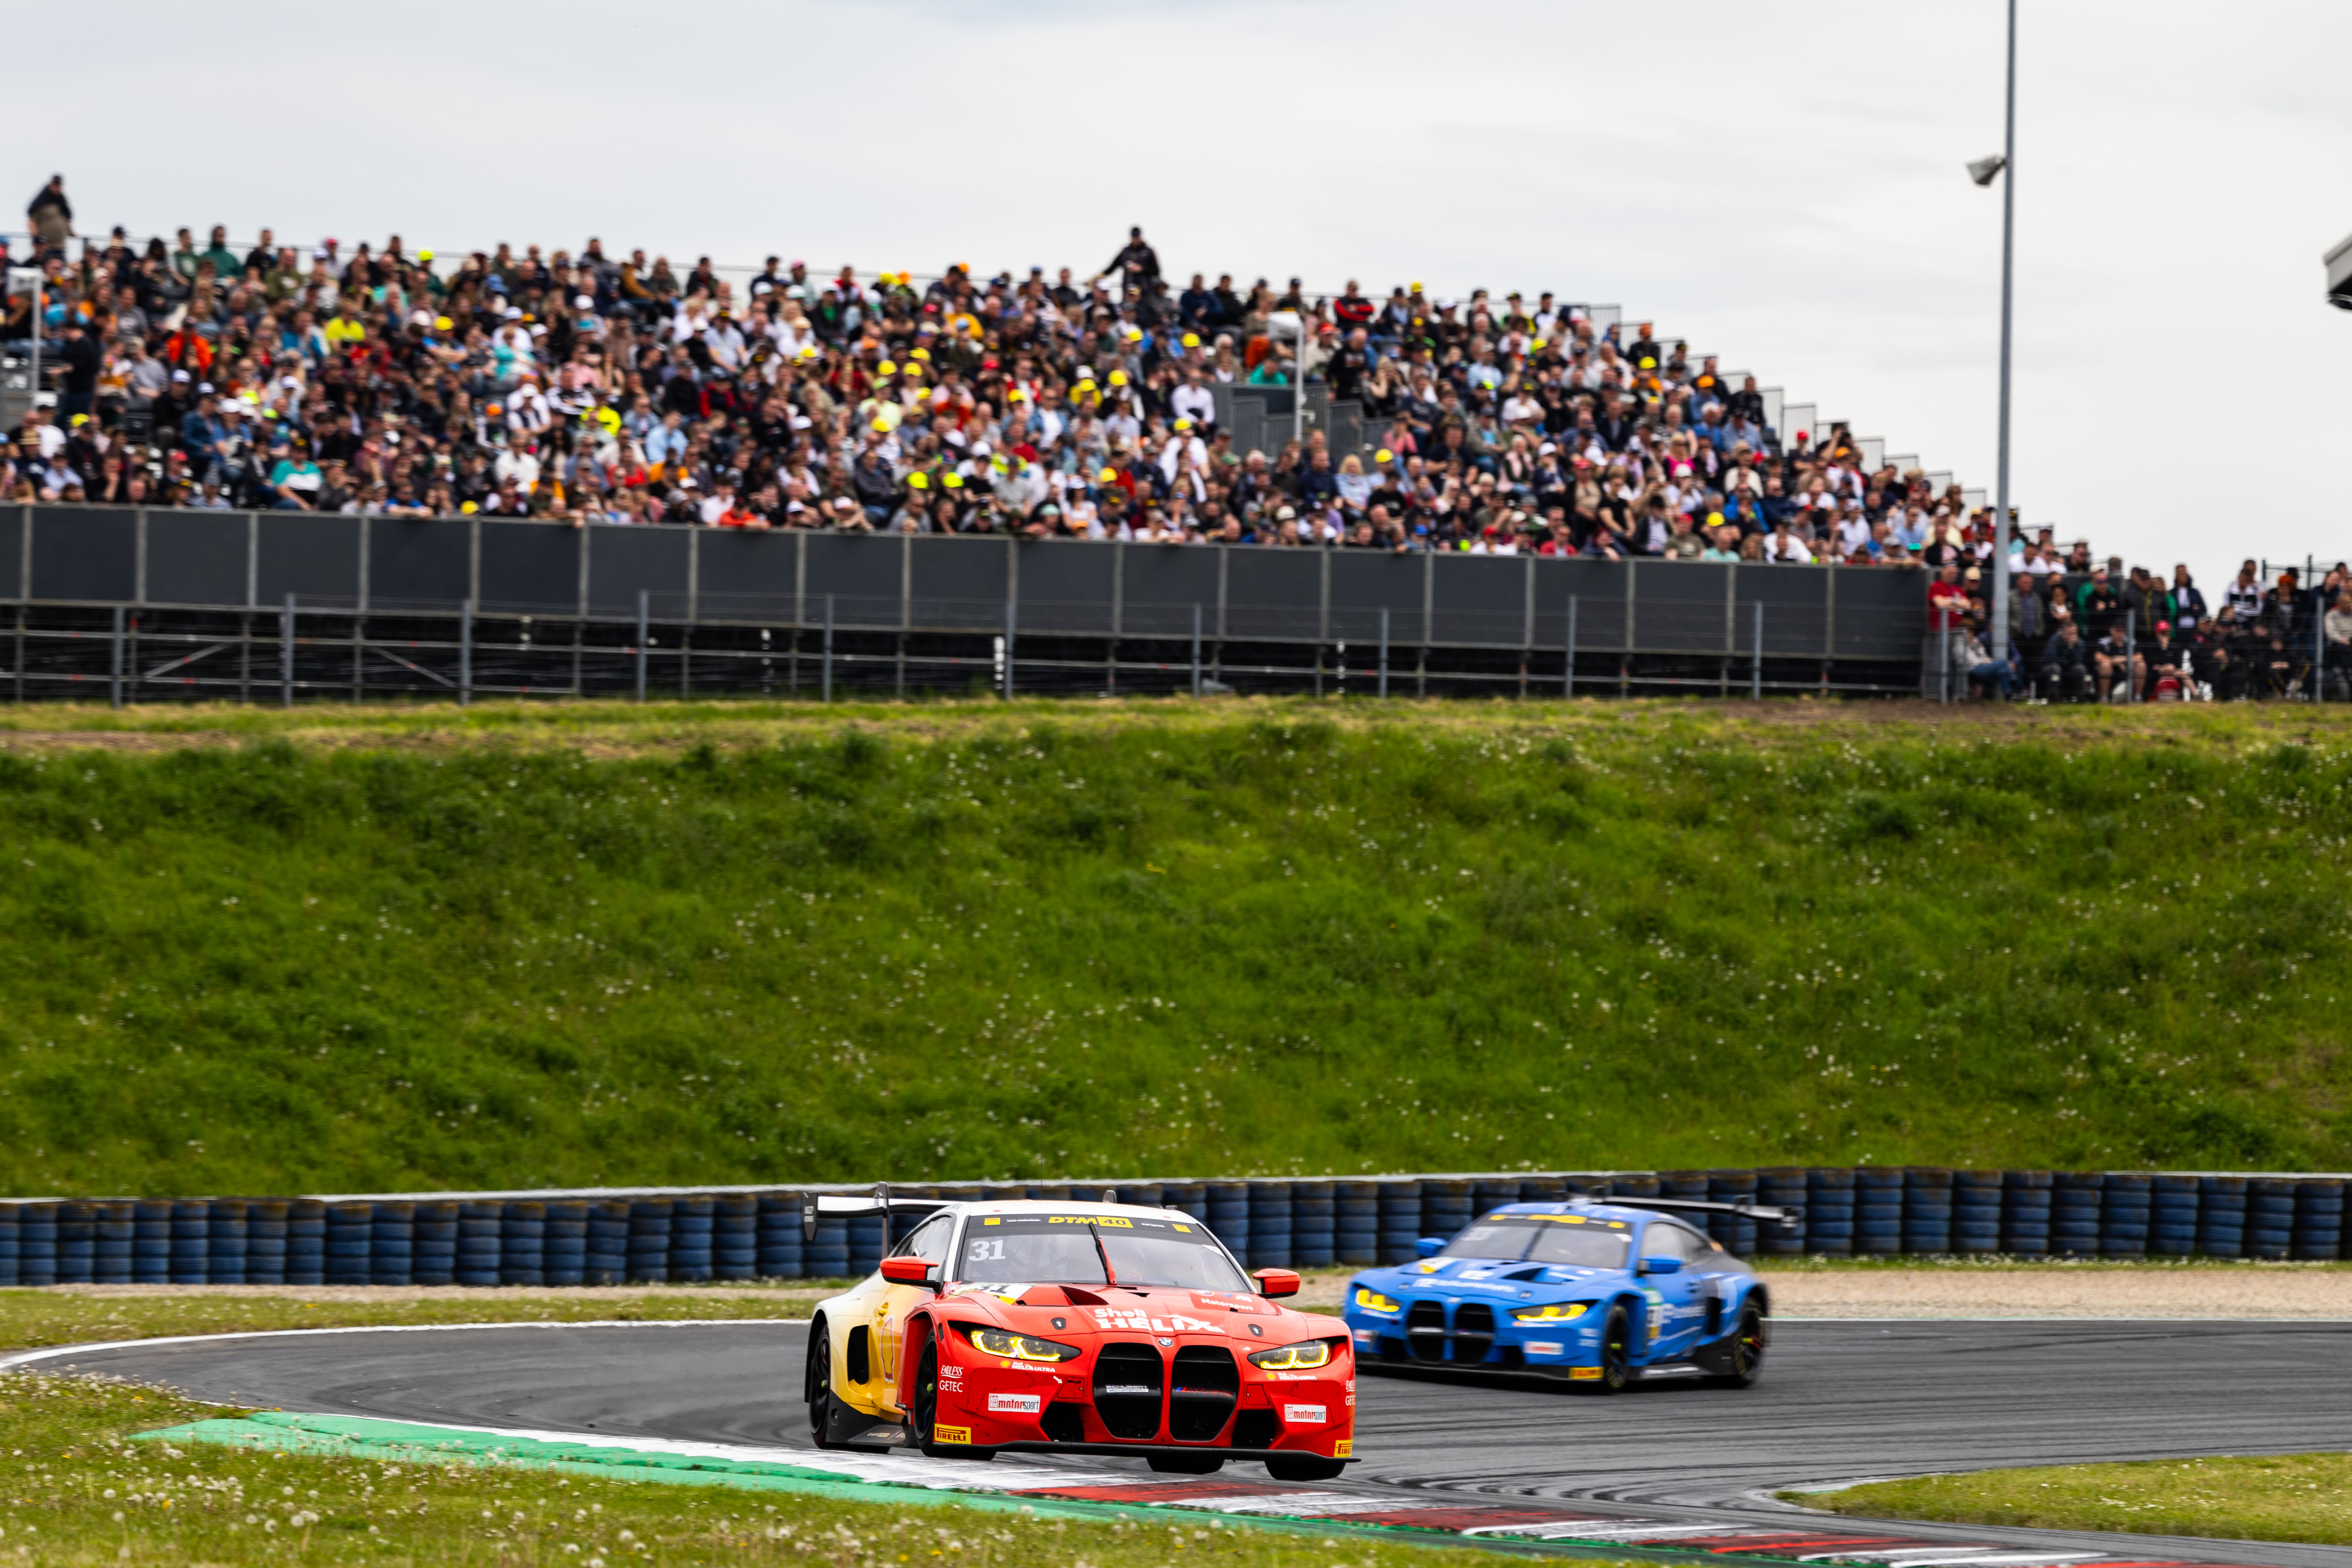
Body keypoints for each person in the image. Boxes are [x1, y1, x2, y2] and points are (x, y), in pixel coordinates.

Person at [2038, 621, 2091, 703]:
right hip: (2049, 671)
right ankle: (2054, 699)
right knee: (2055, 668)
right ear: (2062, 633)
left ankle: (2081, 698)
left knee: (2080, 668)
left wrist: (2071, 648)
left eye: (2075, 633)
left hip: (2068, 671)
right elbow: (2052, 659)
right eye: (2070, 634)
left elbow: (2079, 660)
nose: (2073, 636)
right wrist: (2067, 655)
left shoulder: (2079, 643)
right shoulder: (2054, 641)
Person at [25, 176, 71, 255]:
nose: (57, 188)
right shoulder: (40, 204)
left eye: (59, 186)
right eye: (55, 185)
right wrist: (36, 238)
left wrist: (72, 232)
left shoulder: (63, 204)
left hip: (61, 247)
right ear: (50, 185)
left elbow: (68, 220)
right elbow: (32, 222)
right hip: (45, 248)